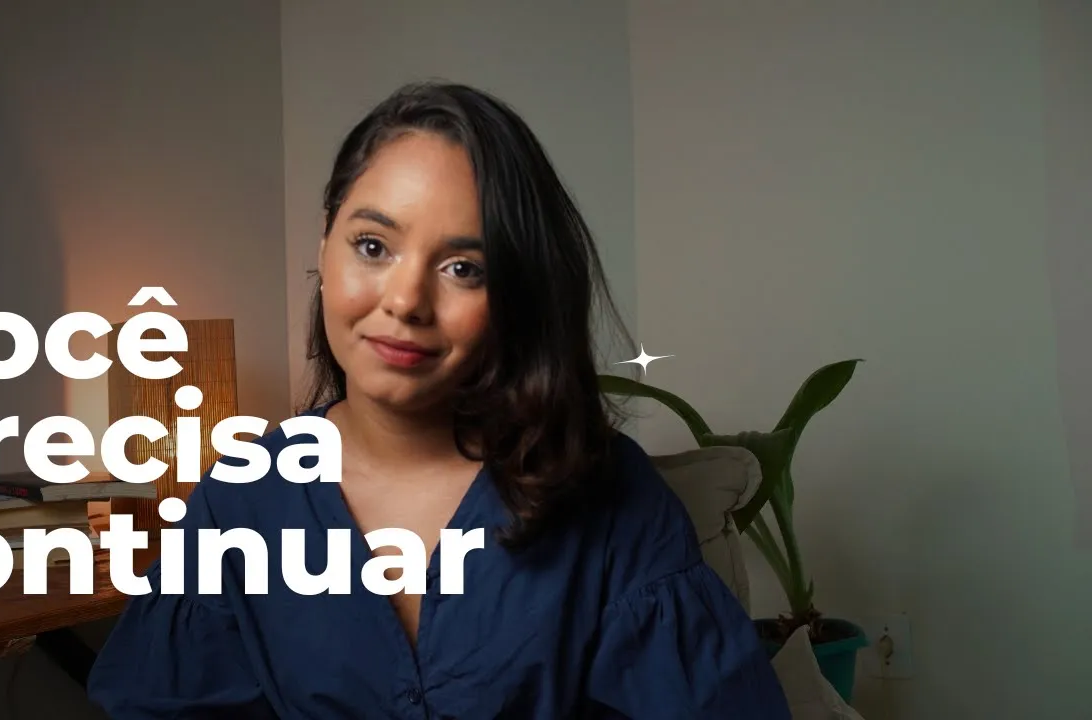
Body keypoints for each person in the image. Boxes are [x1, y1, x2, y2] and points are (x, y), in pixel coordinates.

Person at [87, 82, 791, 719]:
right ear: (325, 246)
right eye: (373, 246)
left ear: (516, 294)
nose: (406, 301)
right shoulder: (238, 503)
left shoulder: (611, 497)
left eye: (463, 268)